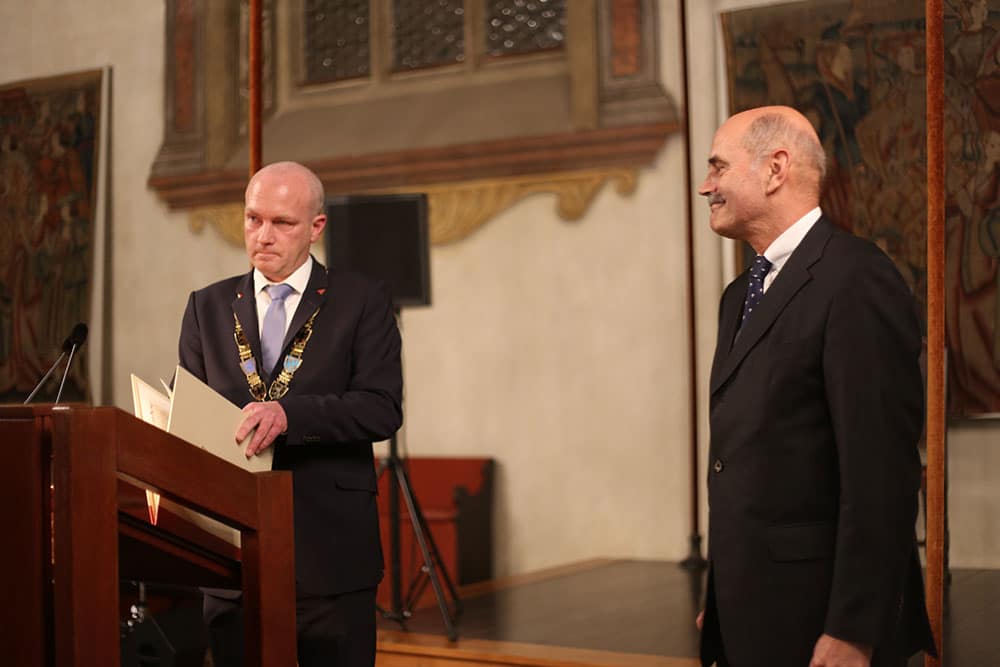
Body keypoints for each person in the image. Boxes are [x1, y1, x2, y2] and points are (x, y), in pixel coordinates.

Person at [695, 106, 935, 667]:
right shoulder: (739, 295)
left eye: (718, 167)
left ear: (775, 168)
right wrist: (723, 595)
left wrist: (855, 628)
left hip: (822, 624)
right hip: (751, 614)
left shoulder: (856, 279)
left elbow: (881, 474)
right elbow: (744, 457)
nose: (706, 186)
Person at [177, 161, 402, 667]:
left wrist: (290, 416)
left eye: (283, 223)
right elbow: (191, 411)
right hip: (233, 554)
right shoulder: (206, 307)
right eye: (253, 219)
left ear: (316, 228)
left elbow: (381, 408)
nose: (264, 236)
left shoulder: (361, 300)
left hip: (329, 553)